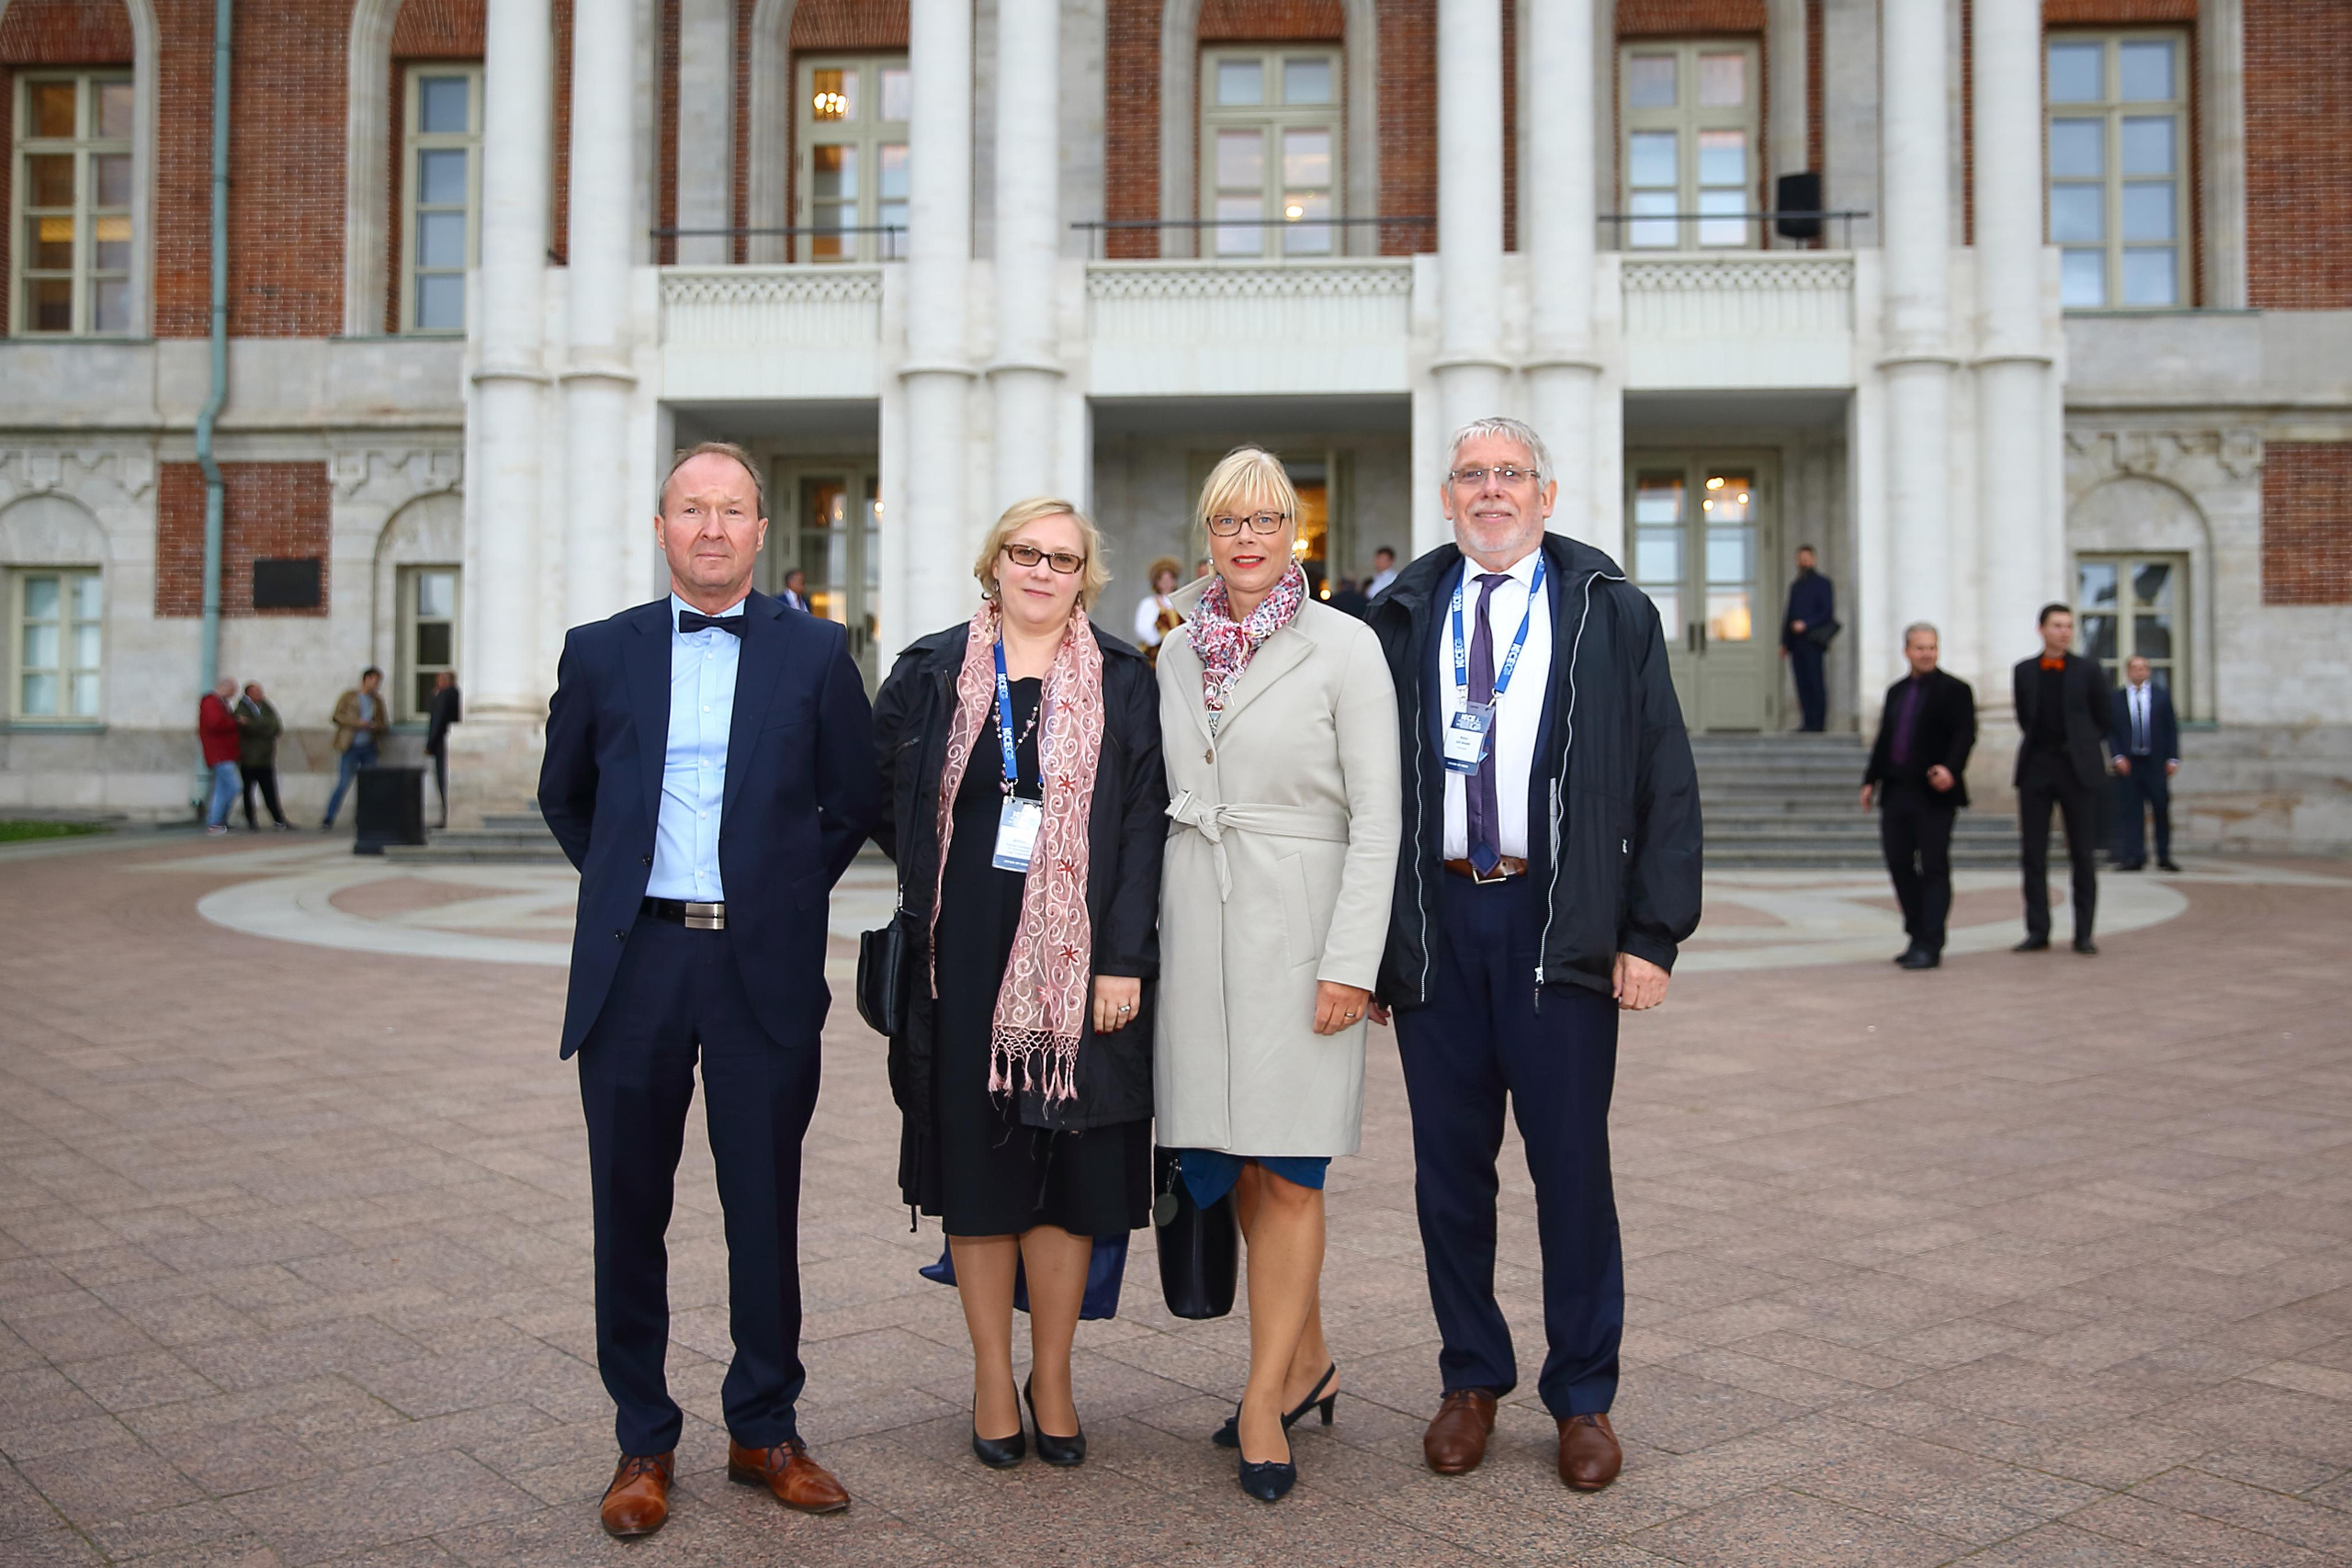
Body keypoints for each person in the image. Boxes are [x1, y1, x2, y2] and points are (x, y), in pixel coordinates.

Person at [538, 441, 879, 1540]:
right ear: (662, 528)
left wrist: (777, 894)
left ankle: (763, 1428)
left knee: (762, 1206)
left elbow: (852, 798)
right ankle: (644, 1440)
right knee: (628, 1209)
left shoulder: (820, 652)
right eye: (693, 510)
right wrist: (630, 886)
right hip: (636, 965)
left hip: (758, 970)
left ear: (761, 531)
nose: (713, 529)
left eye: (733, 510)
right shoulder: (599, 653)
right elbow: (567, 799)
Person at [1363, 417, 1701, 1495]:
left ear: (1546, 496)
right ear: (1447, 496)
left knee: (1570, 1172)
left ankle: (1583, 1396)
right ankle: (1471, 1378)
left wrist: (1649, 935)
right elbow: (1362, 793)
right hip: (1439, 926)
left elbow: (1664, 779)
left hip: (1561, 930)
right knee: (1448, 1178)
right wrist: (1373, 945)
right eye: (1472, 476)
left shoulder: (1610, 612)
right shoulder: (1401, 615)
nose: (1492, 492)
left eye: (1511, 475)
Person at [871, 498, 1166, 1473]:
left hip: (1082, 964)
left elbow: (1142, 830)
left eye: (1063, 559)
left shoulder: (1124, 680)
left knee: (1071, 1178)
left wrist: (1122, 958)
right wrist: (929, 883)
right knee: (981, 1170)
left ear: (1087, 577)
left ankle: (1054, 1377)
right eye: (1024, 553)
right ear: (992, 562)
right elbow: (883, 795)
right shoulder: (928, 672)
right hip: (961, 960)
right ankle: (993, 1378)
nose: (1042, 571)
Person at [1156, 446, 1400, 1504]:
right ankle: (1309, 1362)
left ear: (1294, 531)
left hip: (1300, 938)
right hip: (1195, 938)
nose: (1247, 538)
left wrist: (1352, 963)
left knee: (1292, 1169)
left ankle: (1264, 1401)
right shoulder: (1171, 653)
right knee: (1239, 1166)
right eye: (1227, 521)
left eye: (1266, 520)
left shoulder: (1346, 646)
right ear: (1205, 533)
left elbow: (1381, 819)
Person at [1860, 624, 1975, 969]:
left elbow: (1965, 734)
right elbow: (1885, 739)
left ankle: (1930, 943)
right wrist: (1870, 780)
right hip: (1896, 791)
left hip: (1934, 793)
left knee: (1934, 866)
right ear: (1907, 651)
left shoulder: (1956, 690)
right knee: (1898, 862)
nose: (1927, 653)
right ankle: (1917, 931)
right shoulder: (1896, 692)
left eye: (1932, 648)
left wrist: (1951, 770)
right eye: (1920, 648)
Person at [2012, 603, 2113, 954]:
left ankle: (2083, 933)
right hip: (2037, 768)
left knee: (2082, 854)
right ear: (2041, 629)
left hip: (2078, 771)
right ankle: (2038, 930)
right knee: (2033, 855)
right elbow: (2025, 717)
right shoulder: (2023, 671)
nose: (2064, 632)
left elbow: (2104, 717)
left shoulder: (2088, 670)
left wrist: (2082, 746)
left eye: (2069, 626)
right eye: (2057, 625)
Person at [2109, 654, 2179, 872]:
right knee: (2131, 811)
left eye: (2143, 668)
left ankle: (2164, 855)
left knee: (2160, 808)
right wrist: (2117, 756)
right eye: (2135, 668)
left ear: (2148, 671)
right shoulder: (2116, 698)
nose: (2139, 672)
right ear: (2128, 672)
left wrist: (2173, 757)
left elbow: (2171, 729)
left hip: (2155, 762)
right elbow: (2111, 731)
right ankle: (2133, 856)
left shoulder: (2161, 697)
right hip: (2129, 763)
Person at [321, 667, 390, 829]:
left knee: (369, 785)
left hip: (369, 746)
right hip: (350, 745)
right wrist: (357, 723)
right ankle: (328, 818)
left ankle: (364, 818)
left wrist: (374, 726)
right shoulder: (349, 696)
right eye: (375, 681)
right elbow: (337, 716)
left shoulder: (377, 701)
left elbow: (384, 723)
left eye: (379, 682)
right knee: (343, 782)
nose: (377, 685)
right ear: (366, 679)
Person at [1781, 544, 1835, 732]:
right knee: (1802, 683)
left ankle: (1818, 723)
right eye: (1800, 558)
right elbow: (1788, 614)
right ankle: (1807, 721)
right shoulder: (1796, 586)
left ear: (1813, 559)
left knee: (1815, 682)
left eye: (1806, 557)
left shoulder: (1823, 584)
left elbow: (1827, 612)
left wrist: (1806, 623)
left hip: (1813, 641)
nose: (1803, 561)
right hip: (1797, 643)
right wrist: (1784, 642)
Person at [235, 682, 291, 830]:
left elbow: (276, 726)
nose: (261, 694)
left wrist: (255, 724)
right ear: (249, 694)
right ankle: (251, 820)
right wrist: (260, 726)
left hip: (266, 758)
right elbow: (246, 728)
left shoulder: (266, 706)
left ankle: (279, 820)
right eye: (257, 692)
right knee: (248, 791)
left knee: (270, 790)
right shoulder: (242, 708)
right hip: (249, 758)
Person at [198, 678, 241, 835]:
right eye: (232, 691)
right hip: (219, 753)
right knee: (233, 786)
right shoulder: (211, 702)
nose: (232, 695)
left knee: (222, 787)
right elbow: (216, 723)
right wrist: (234, 722)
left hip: (224, 753)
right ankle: (215, 821)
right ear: (223, 687)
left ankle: (218, 821)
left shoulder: (219, 702)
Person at [424, 671, 462, 828]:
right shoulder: (455, 694)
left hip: (441, 743)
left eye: (439, 680)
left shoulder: (443, 695)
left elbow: (437, 720)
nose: (437, 684)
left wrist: (430, 744)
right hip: (448, 741)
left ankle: (445, 817)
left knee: (442, 780)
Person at [1131, 556, 1183, 664]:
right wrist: (1160, 641)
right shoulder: (1149, 604)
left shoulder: (1181, 602)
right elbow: (1142, 629)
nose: (1167, 583)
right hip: (1156, 653)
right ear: (1156, 582)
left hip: (1179, 653)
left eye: (1170, 579)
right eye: (1163, 580)